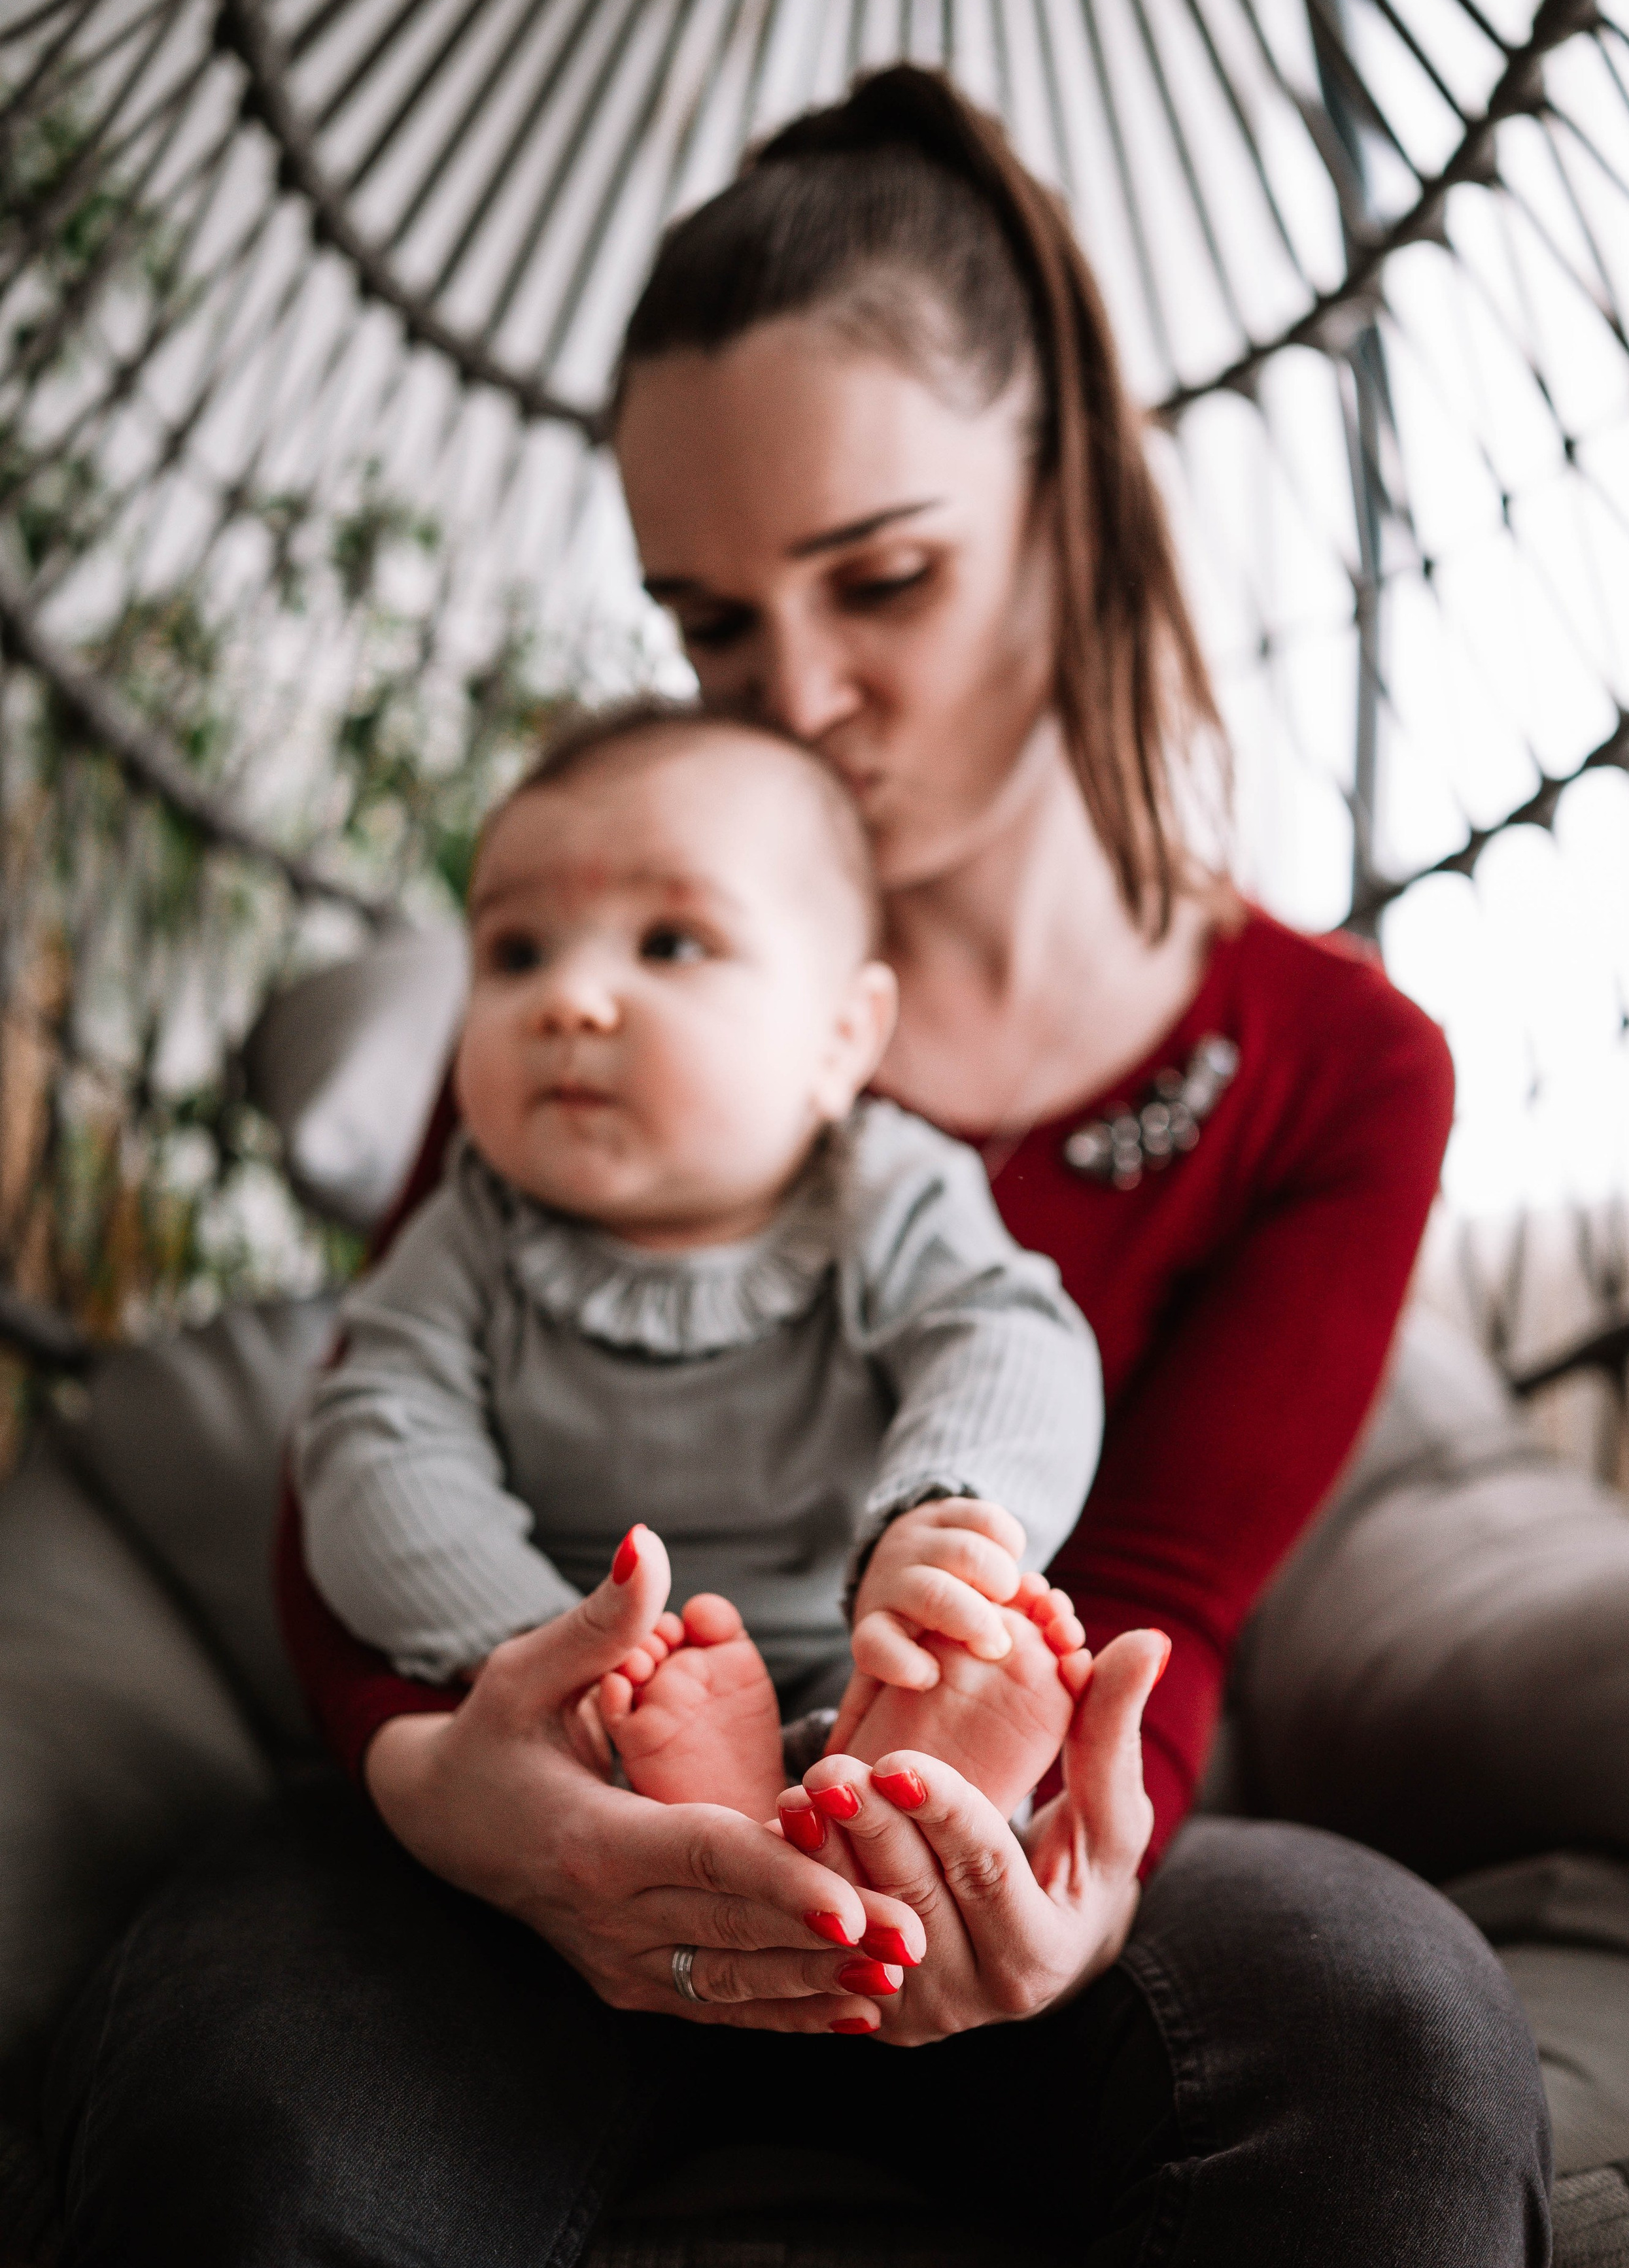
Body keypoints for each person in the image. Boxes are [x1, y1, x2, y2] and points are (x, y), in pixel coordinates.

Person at [46, 66, 1550, 2268]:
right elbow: (371, 1448)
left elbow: (1157, 1600)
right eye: (712, 623)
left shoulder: (1334, 1065)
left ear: (1070, 499)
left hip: (966, 1825)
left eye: (884, 580)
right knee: (236, 2113)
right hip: (519, 1831)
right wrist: (464, 1788)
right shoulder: (618, 959)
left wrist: (1049, 1863)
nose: (801, 701)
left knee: (1395, 2043)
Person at [296, 703, 1105, 1834]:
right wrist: (549, 1651)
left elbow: (1010, 1340)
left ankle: (919, 1751)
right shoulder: (473, 1228)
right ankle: (742, 1785)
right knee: (611, 1743)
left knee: (940, 1652)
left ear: (841, 1037)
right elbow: (376, 1446)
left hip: (849, 1655)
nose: (568, 1001)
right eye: (516, 953)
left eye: (670, 944)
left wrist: (949, 1518)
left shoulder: (886, 1189)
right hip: (580, 1696)